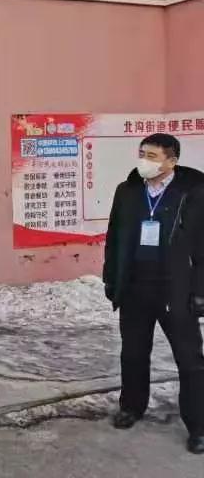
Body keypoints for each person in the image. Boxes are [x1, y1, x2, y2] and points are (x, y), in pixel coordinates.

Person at [103, 133, 204, 454]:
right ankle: (132, 406)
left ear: (171, 161)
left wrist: (200, 291)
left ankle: (199, 426)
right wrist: (111, 280)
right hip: (135, 287)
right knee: (133, 353)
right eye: (142, 154)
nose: (143, 161)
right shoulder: (128, 191)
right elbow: (114, 238)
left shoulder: (194, 193)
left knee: (190, 360)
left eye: (152, 156)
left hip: (176, 289)